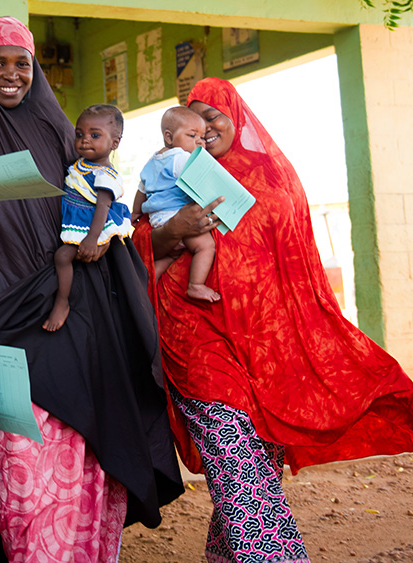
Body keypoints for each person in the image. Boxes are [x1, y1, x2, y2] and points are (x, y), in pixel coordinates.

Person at [132, 77, 413, 562]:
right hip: (194, 336)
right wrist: (172, 230)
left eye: (212, 117)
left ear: (236, 117)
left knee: (254, 467)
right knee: (234, 455)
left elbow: (299, 267)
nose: (204, 129)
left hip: (263, 346)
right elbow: (136, 243)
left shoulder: (272, 180)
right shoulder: (173, 173)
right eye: (194, 122)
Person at [0, 16, 183, 563]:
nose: (10, 74)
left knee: (82, 451)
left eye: (21, 64)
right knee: (18, 457)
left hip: (73, 314)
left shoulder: (59, 131)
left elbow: (103, 206)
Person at [43, 104, 133, 332]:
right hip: (79, 220)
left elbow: (103, 206)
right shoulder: (82, 164)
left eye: (94, 135)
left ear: (114, 143)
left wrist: (92, 239)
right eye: (79, 134)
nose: (84, 140)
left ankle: (62, 302)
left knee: (62, 256)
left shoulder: (105, 174)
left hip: (93, 227)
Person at [131, 106, 219, 300]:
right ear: (169, 137)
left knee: (171, 255)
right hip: (176, 215)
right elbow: (200, 180)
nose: (199, 142)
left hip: (156, 220)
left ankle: (146, 287)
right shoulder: (182, 157)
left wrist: (135, 212)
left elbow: (141, 190)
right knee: (206, 246)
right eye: (192, 136)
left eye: (202, 137)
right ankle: (196, 285)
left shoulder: (152, 161)